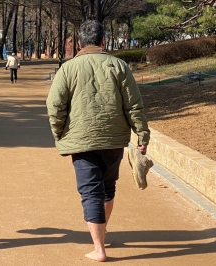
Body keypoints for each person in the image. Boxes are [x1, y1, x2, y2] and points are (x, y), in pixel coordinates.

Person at [46, 20, 150, 262]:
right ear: (103, 41)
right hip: (114, 139)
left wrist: (60, 132)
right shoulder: (119, 66)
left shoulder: (68, 69)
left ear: (80, 43)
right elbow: (134, 105)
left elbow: (54, 106)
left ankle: (99, 248)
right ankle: (101, 233)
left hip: (82, 140)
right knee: (108, 188)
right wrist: (142, 134)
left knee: (90, 192)